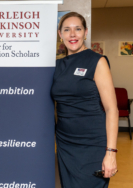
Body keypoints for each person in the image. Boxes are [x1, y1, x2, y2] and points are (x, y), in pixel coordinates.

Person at [51, 12, 118, 188]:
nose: (72, 34)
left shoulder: (97, 61)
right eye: (67, 30)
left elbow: (112, 109)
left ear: (85, 32)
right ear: (60, 35)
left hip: (92, 143)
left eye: (77, 29)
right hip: (65, 144)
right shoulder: (56, 66)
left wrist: (111, 153)